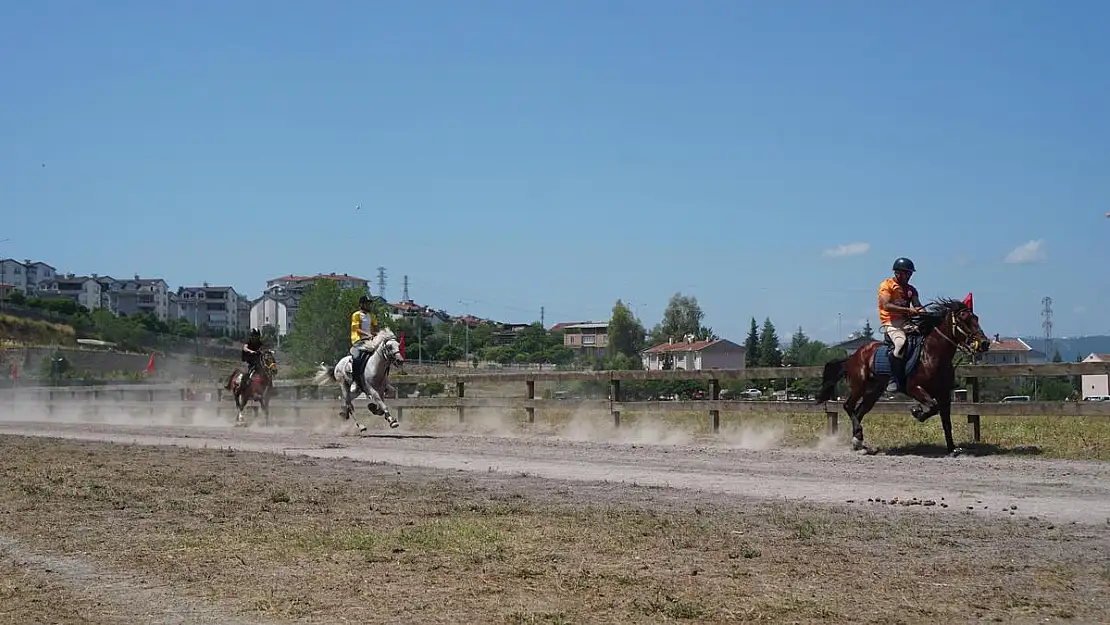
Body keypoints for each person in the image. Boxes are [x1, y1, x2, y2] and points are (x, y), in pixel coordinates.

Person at [878, 257, 924, 393]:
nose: (909, 276)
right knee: (900, 344)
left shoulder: (911, 290)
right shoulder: (886, 285)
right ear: (897, 273)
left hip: (907, 322)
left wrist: (925, 313)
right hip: (891, 322)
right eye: (906, 273)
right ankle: (893, 379)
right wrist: (909, 310)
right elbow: (886, 306)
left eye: (910, 273)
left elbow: (918, 306)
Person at [349, 294, 379, 394]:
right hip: (359, 341)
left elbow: (376, 330)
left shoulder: (372, 316)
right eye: (367, 304)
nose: (369, 306)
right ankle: (355, 381)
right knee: (357, 358)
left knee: (382, 355)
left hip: (370, 341)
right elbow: (356, 329)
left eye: (370, 304)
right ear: (361, 304)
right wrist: (368, 334)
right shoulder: (356, 315)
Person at [240, 328, 264, 396]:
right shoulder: (248, 342)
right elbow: (245, 348)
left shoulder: (260, 343)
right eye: (254, 336)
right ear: (251, 336)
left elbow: (263, 348)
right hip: (247, 362)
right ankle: (242, 389)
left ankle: (269, 388)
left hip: (256, 363)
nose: (256, 338)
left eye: (257, 336)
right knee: (245, 374)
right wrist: (250, 351)